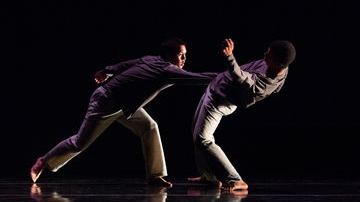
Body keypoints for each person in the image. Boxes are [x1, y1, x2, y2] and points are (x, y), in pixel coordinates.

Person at [30, 37, 219, 186]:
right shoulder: (166, 70)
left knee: (150, 126)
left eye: (185, 55)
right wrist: (226, 77)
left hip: (124, 106)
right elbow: (198, 77)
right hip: (106, 102)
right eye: (180, 55)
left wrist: (108, 70)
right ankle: (44, 162)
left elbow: (126, 64)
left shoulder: (151, 59)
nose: (184, 59)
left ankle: (154, 176)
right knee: (81, 142)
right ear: (169, 55)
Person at [189, 38, 296, 191]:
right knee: (196, 134)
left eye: (269, 55)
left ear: (279, 64)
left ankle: (235, 179)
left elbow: (241, 77)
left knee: (202, 139)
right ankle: (209, 176)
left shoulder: (265, 83)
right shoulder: (279, 65)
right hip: (216, 89)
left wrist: (229, 56)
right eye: (267, 51)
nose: (264, 55)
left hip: (220, 101)